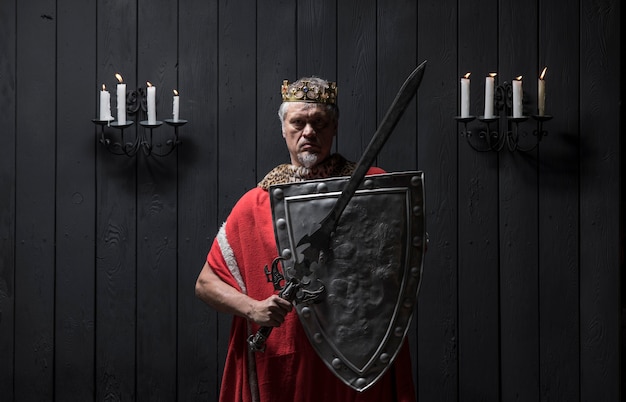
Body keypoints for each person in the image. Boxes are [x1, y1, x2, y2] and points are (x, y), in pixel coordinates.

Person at [195, 77, 416, 402]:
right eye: (298, 122)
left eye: (319, 123)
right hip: (284, 364)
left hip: (353, 361)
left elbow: (405, 260)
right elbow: (205, 284)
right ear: (283, 127)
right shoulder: (255, 204)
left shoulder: (373, 190)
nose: (308, 132)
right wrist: (252, 308)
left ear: (334, 127)